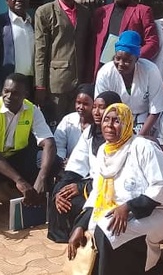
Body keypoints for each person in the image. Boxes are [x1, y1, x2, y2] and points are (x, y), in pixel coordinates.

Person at [66, 103, 163, 274]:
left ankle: (148, 266)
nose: (109, 126)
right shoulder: (104, 150)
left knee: (107, 230)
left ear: (127, 124)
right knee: (94, 227)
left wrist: (128, 207)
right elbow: (96, 194)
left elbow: (161, 186)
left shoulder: (143, 147)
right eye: (106, 120)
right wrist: (79, 226)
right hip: (118, 209)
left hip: (160, 211)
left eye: (116, 121)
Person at [0, 73, 57, 206]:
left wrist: (42, 177)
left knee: (53, 161)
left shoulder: (32, 110)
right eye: (6, 91)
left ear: (25, 94)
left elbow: (49, 143)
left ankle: (42, 202)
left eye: (15, 93)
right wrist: (20, 180)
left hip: (15, 158)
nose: (9, 97)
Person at [48, 91, 122, 243]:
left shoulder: (121, 136)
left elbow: (115, 177)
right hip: (91, 184)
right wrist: (61, 191)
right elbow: (75, 167)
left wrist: (82, 187)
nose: (96, 112)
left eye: (102, 108)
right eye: (94, 107)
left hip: (112, 191)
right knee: (62, 196)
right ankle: (68, 237)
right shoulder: (91, 132)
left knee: (82, 205)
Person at [34, 0, 92, 129]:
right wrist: (40, 85)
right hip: (56, 83)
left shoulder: (85, 12)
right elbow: (40, 50)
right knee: (57, 127)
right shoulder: (45, 12)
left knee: (77, 125)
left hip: (80, 81)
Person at [94, 31, 163, 136]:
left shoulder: (150, 70)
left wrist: (140, 137)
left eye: (127, 60)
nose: (120, 64)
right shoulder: (105, 73)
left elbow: (155, 109)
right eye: (117, 58)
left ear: (137, 59)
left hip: (145, 122)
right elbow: (102, 107)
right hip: (115, 122)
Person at [91, 0, 160, 80]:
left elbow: (152, 42)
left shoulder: (142, 11)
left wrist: (132, 58)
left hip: (129, 69)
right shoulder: (101, 12)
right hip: (104, 69)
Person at [53, 83, 95, 163]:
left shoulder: (98, 125)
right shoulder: (68, 119)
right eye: (78, 102)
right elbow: (58, 145)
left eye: (86, 104)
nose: (81, 107)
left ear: (94, 105)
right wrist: (62, 160)